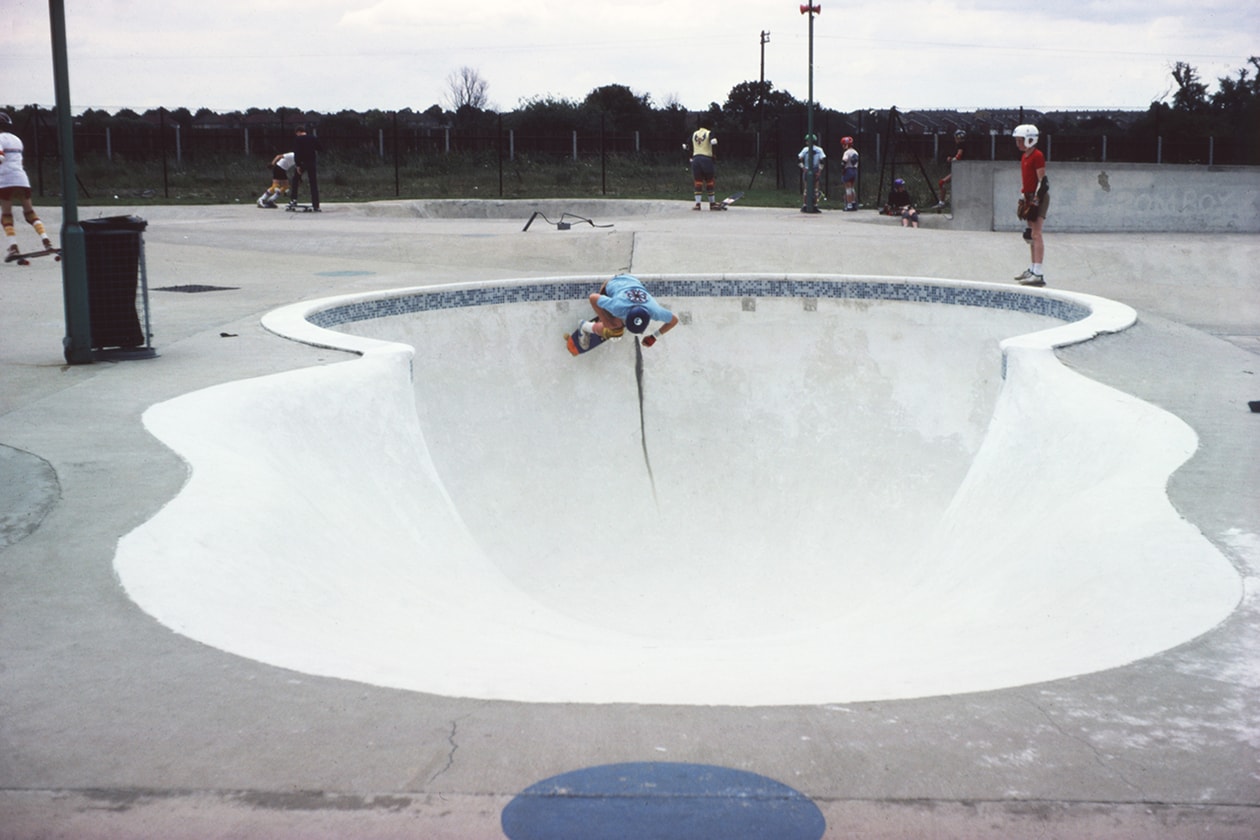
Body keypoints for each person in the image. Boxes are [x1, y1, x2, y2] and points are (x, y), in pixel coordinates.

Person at [0, 112, 56, 260]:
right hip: (21, 178)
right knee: (30, 213)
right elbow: (21, 161)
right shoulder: (17, 140)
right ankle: (46, 241)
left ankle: (13, 247)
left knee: (6, 215)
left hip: (5, 180)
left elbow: (0, 157)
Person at [578, 273, 680, 350]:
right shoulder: (618, 307)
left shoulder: (655, 311)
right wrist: (604, 320)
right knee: (614, 328)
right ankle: (584, 326)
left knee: (616, 324)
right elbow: (593, 298)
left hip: (631, 280)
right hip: (611, 282)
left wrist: (655, 336)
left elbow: (674, 320)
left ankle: (606, 321)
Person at [1012, 124, 1048, 286]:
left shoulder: (1037, 155)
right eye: (1017, 140)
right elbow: (1026, 180)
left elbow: (1043, 181)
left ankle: (1038, 274)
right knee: (1030, 235)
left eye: (1020, 140)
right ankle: (1033, 269)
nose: (1018, 143)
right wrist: (1023, 196)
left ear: (1030, 139)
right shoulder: (1025, 156)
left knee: (1036, 234)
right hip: (1028, 197)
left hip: (1037, 197)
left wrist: (1035, 201)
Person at [685, 122, 720, 210]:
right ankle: (712, 203)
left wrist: (690, 156)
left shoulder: (694, 134)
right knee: (709, 181)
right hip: (706, 159)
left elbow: (686, 145)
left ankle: (697, 204)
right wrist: (714, 154)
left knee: (698, 182)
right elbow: (713, 142)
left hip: (695, 159)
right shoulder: (709, 133)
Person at [289, 124, 323, 212]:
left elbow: (297, 153)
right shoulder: (313, 138)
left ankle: (293, 200)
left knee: (295, 180)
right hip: (311, 162)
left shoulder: (298, 139)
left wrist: (298, 165)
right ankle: (316, 204)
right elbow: (320, 147)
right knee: (313, 183)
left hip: (302, 162)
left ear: (298, 132)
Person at [935, 129, 966, 208]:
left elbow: (958, 157)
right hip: (961, 169)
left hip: (960, 170)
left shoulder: (961, 145)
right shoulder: (962, 146)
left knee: (942, 182)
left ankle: (942, 203)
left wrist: (951, 159)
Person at [797, 134, 827, 208]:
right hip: (816, 169)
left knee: (806, 188)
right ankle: (815, 205)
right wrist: (819, 171)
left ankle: (805, 204)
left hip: (807, 169)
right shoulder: (819, 150)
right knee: (816, 189)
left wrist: (803, 168)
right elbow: (822, 161)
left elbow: (799, 160)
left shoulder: (805, 149)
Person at [839, 136, 859, 211]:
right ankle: (854, 203)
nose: (843, 146)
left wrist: (842, 169)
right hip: (854, 170)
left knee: (848, 189)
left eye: (843, 144)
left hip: (848, 170)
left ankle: (849, 205)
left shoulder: (846, 152)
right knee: (852, 188)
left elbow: (844, 161)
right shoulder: (855, 152)